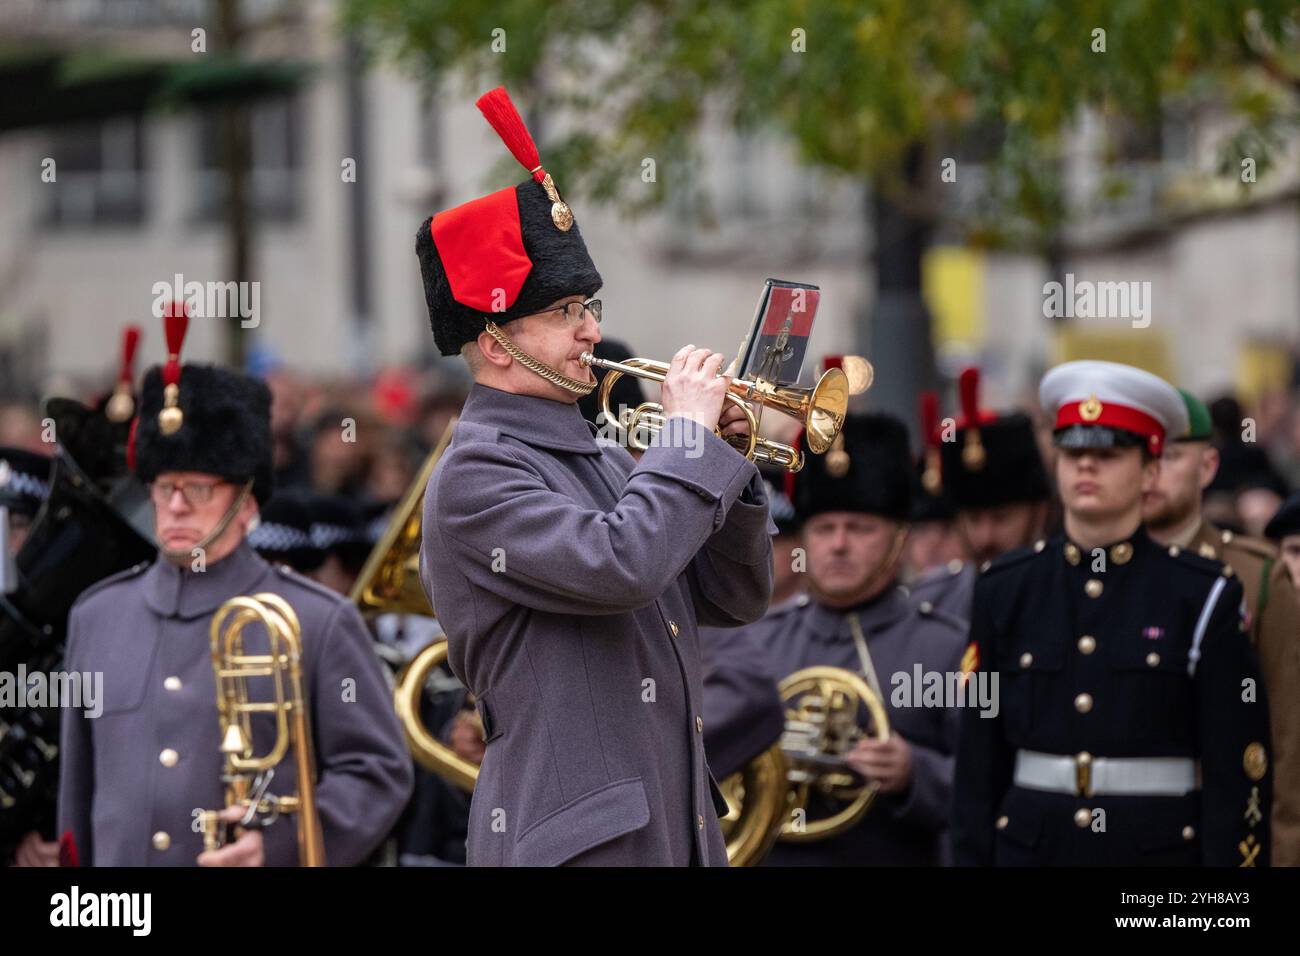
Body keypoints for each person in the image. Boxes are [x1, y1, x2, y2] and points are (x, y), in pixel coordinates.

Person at [416, 88, 774, 866]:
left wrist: (733, 470)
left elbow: (734, 599)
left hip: (672, 830)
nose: (592, 329)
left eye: (588, 303)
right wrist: (684, 440)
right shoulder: (478, 473)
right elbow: (622, 566)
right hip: (577, 845)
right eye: (565, 311)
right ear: (499, 343)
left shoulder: (605, 457)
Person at [57, 309, 413, 866]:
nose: (174, 506)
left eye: (198, 489)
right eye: (164, 486)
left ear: (246, 504)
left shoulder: (316, 619)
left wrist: (282, 845)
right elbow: (78, 798)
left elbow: (377, 773)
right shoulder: (98, 615)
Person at [953, 360, 1272, 866]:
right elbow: (977, 763)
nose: (1085, 466)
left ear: (1149, 470)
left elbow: (1239, 769)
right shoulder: (1005, 590)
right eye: (1073, 451)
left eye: (1107, 453)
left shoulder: (1203, 594)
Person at [710, 413, 968, 865]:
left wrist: (916, 773)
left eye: (861, 528)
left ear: (899, 537)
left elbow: (991, 790)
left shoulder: (949, 648)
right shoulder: (755, 641)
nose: (839, 545)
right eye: (824, 529)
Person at [1145, 389, 1300, 865]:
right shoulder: (1096, 573)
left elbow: (1288, 746)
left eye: (1170, 456)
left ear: (1208, 467)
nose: (1152, 473)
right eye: (1142, 456)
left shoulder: (1257, 576)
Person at [909, 367, 1052, 621]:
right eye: (974, 519)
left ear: (1038, 513)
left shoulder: (1066, 595)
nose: (986, 537)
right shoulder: (926, 606)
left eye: (1002, 518)